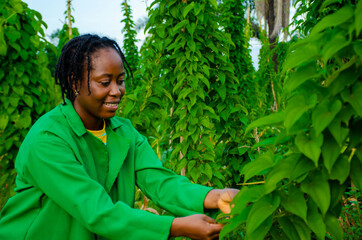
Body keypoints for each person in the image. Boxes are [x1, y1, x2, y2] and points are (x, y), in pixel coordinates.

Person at [0, 34, 238, 240]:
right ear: (74, 82)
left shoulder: (123, 133)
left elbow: (161, 183)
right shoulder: (48, 139)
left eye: (120, 81)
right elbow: (94, 209)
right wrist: (174, 227)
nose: (116, 91)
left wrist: (215, 196)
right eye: (105, 82)